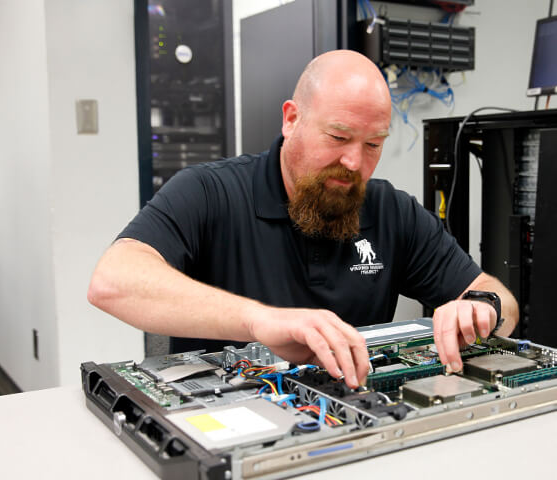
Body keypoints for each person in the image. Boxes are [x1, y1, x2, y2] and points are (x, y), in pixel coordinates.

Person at [87, 50, 518, 389]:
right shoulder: (208, 192)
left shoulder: (391, 211)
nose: (354, 162)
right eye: (338, 137)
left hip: (360, 428)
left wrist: (482, 309)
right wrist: (260, 321)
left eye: (373, 144)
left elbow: (499, 298)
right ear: (291, 119)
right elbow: (112, 281)